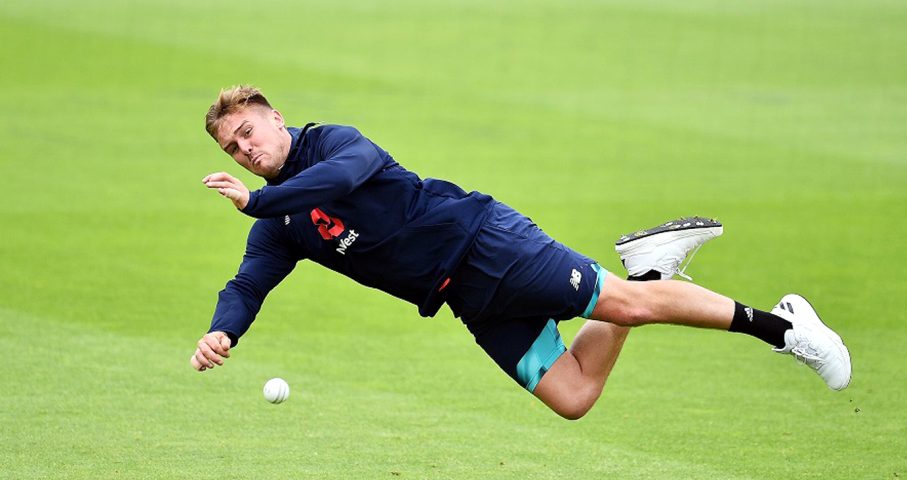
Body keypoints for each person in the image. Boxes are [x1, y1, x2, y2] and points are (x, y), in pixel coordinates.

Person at [190, 85, 851, 419]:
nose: (245, 151)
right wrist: (223, 330)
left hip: (489, 246)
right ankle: (650, 264)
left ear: (275, 116)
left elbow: (337, 181)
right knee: (572, 395)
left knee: (630, 305)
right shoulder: (278, 225)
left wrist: (255, 200)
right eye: (232, 149)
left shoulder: (334, 143)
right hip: (468, 300)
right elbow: (248, 284)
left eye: (248, 132)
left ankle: (787, 328)